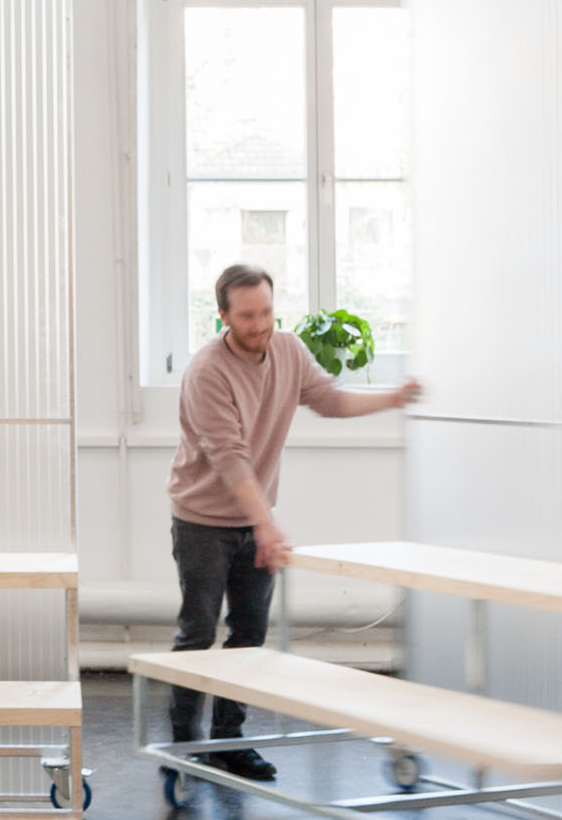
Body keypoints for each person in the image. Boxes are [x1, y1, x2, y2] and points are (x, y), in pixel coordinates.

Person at [163, 263, 423, 778]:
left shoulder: (287, 349)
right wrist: (265, 524)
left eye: (265, 313)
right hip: (202, 520)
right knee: (197, 634)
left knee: (249, 634)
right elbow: (231, 457)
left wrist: (391, 399)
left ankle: (228, 742)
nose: (259, 325)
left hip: (256, 518)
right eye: (246, 316)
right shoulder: (206, 371)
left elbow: (328, 399)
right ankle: (182, 747)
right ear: (222, 316)